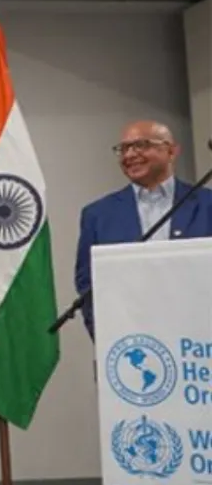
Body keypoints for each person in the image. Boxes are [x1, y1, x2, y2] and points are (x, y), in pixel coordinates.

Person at [74, 120, 212, 340]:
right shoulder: (98, 215)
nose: (129, 155)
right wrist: (106, 339)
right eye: (123, 149)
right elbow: (88, 284)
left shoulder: (207, 204)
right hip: (132, 345)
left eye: (141, 145)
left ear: (171, 151)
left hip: (202, 342)